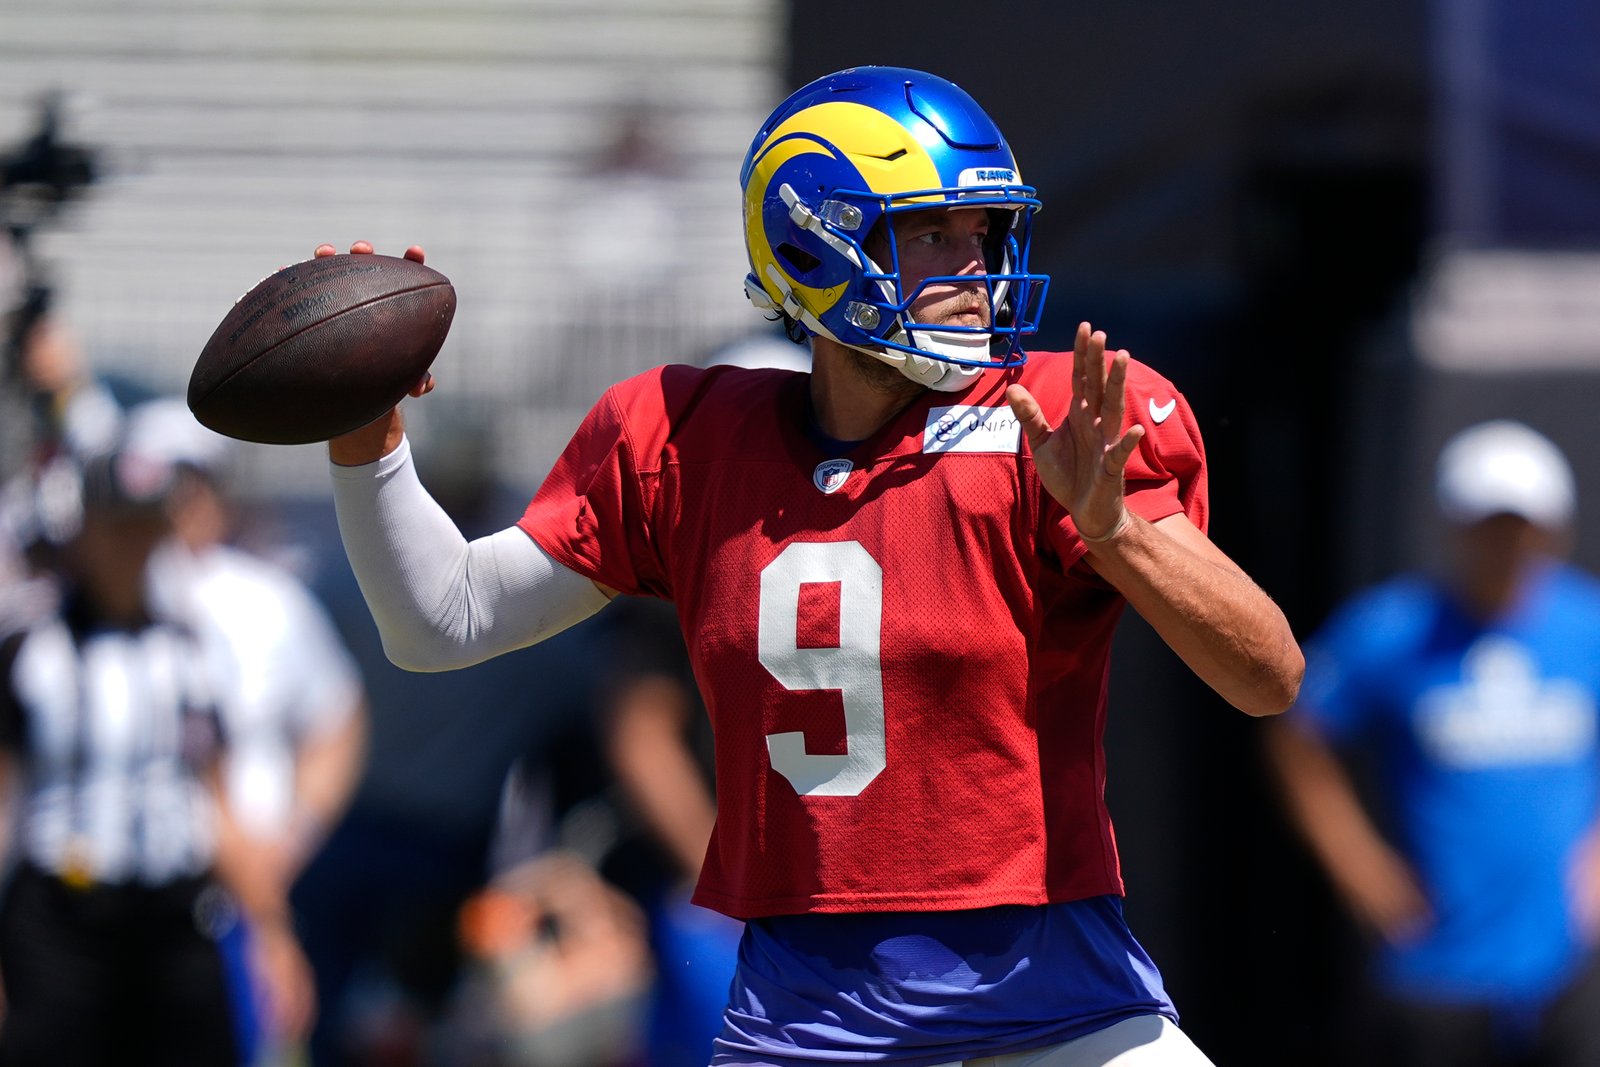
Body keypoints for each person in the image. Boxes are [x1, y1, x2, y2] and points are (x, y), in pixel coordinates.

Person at [318, 66, 1302, 1067]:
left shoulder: (1045, 427)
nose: (976, 269)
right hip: (813, 1020)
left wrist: (1120, 532)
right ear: (811, 244)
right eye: (931, 234)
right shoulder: (686, 439)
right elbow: (443, 619)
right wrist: (366, 441)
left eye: (984, 233)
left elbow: (1267, 677)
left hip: (1059, 994)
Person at [1266, 420, 1600, 1067]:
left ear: (1552, 530)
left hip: (1567, 965)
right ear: (1454, 526)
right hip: (1435, 967)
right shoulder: (1392, 629)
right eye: (1487, 524)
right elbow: (1296, 733)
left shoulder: (1586, 624)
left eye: (1520, 525)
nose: (1504, 543)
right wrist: (1359, 864)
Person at [0, 447, 306, 1066]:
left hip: (173, 916)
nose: (133, 545)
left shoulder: (191, 648)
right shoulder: (33, 648)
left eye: (147, 526)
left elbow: (217, 802)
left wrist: (274, 934)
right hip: (64, 916)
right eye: (118, 525)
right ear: (83, 529)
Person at [124, 397, 368, 1064]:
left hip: (237, 905)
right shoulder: (116, 604)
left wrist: (292, 836)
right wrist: (269, 911)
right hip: (144, 898)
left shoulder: (266, 599)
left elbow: (338, 717)